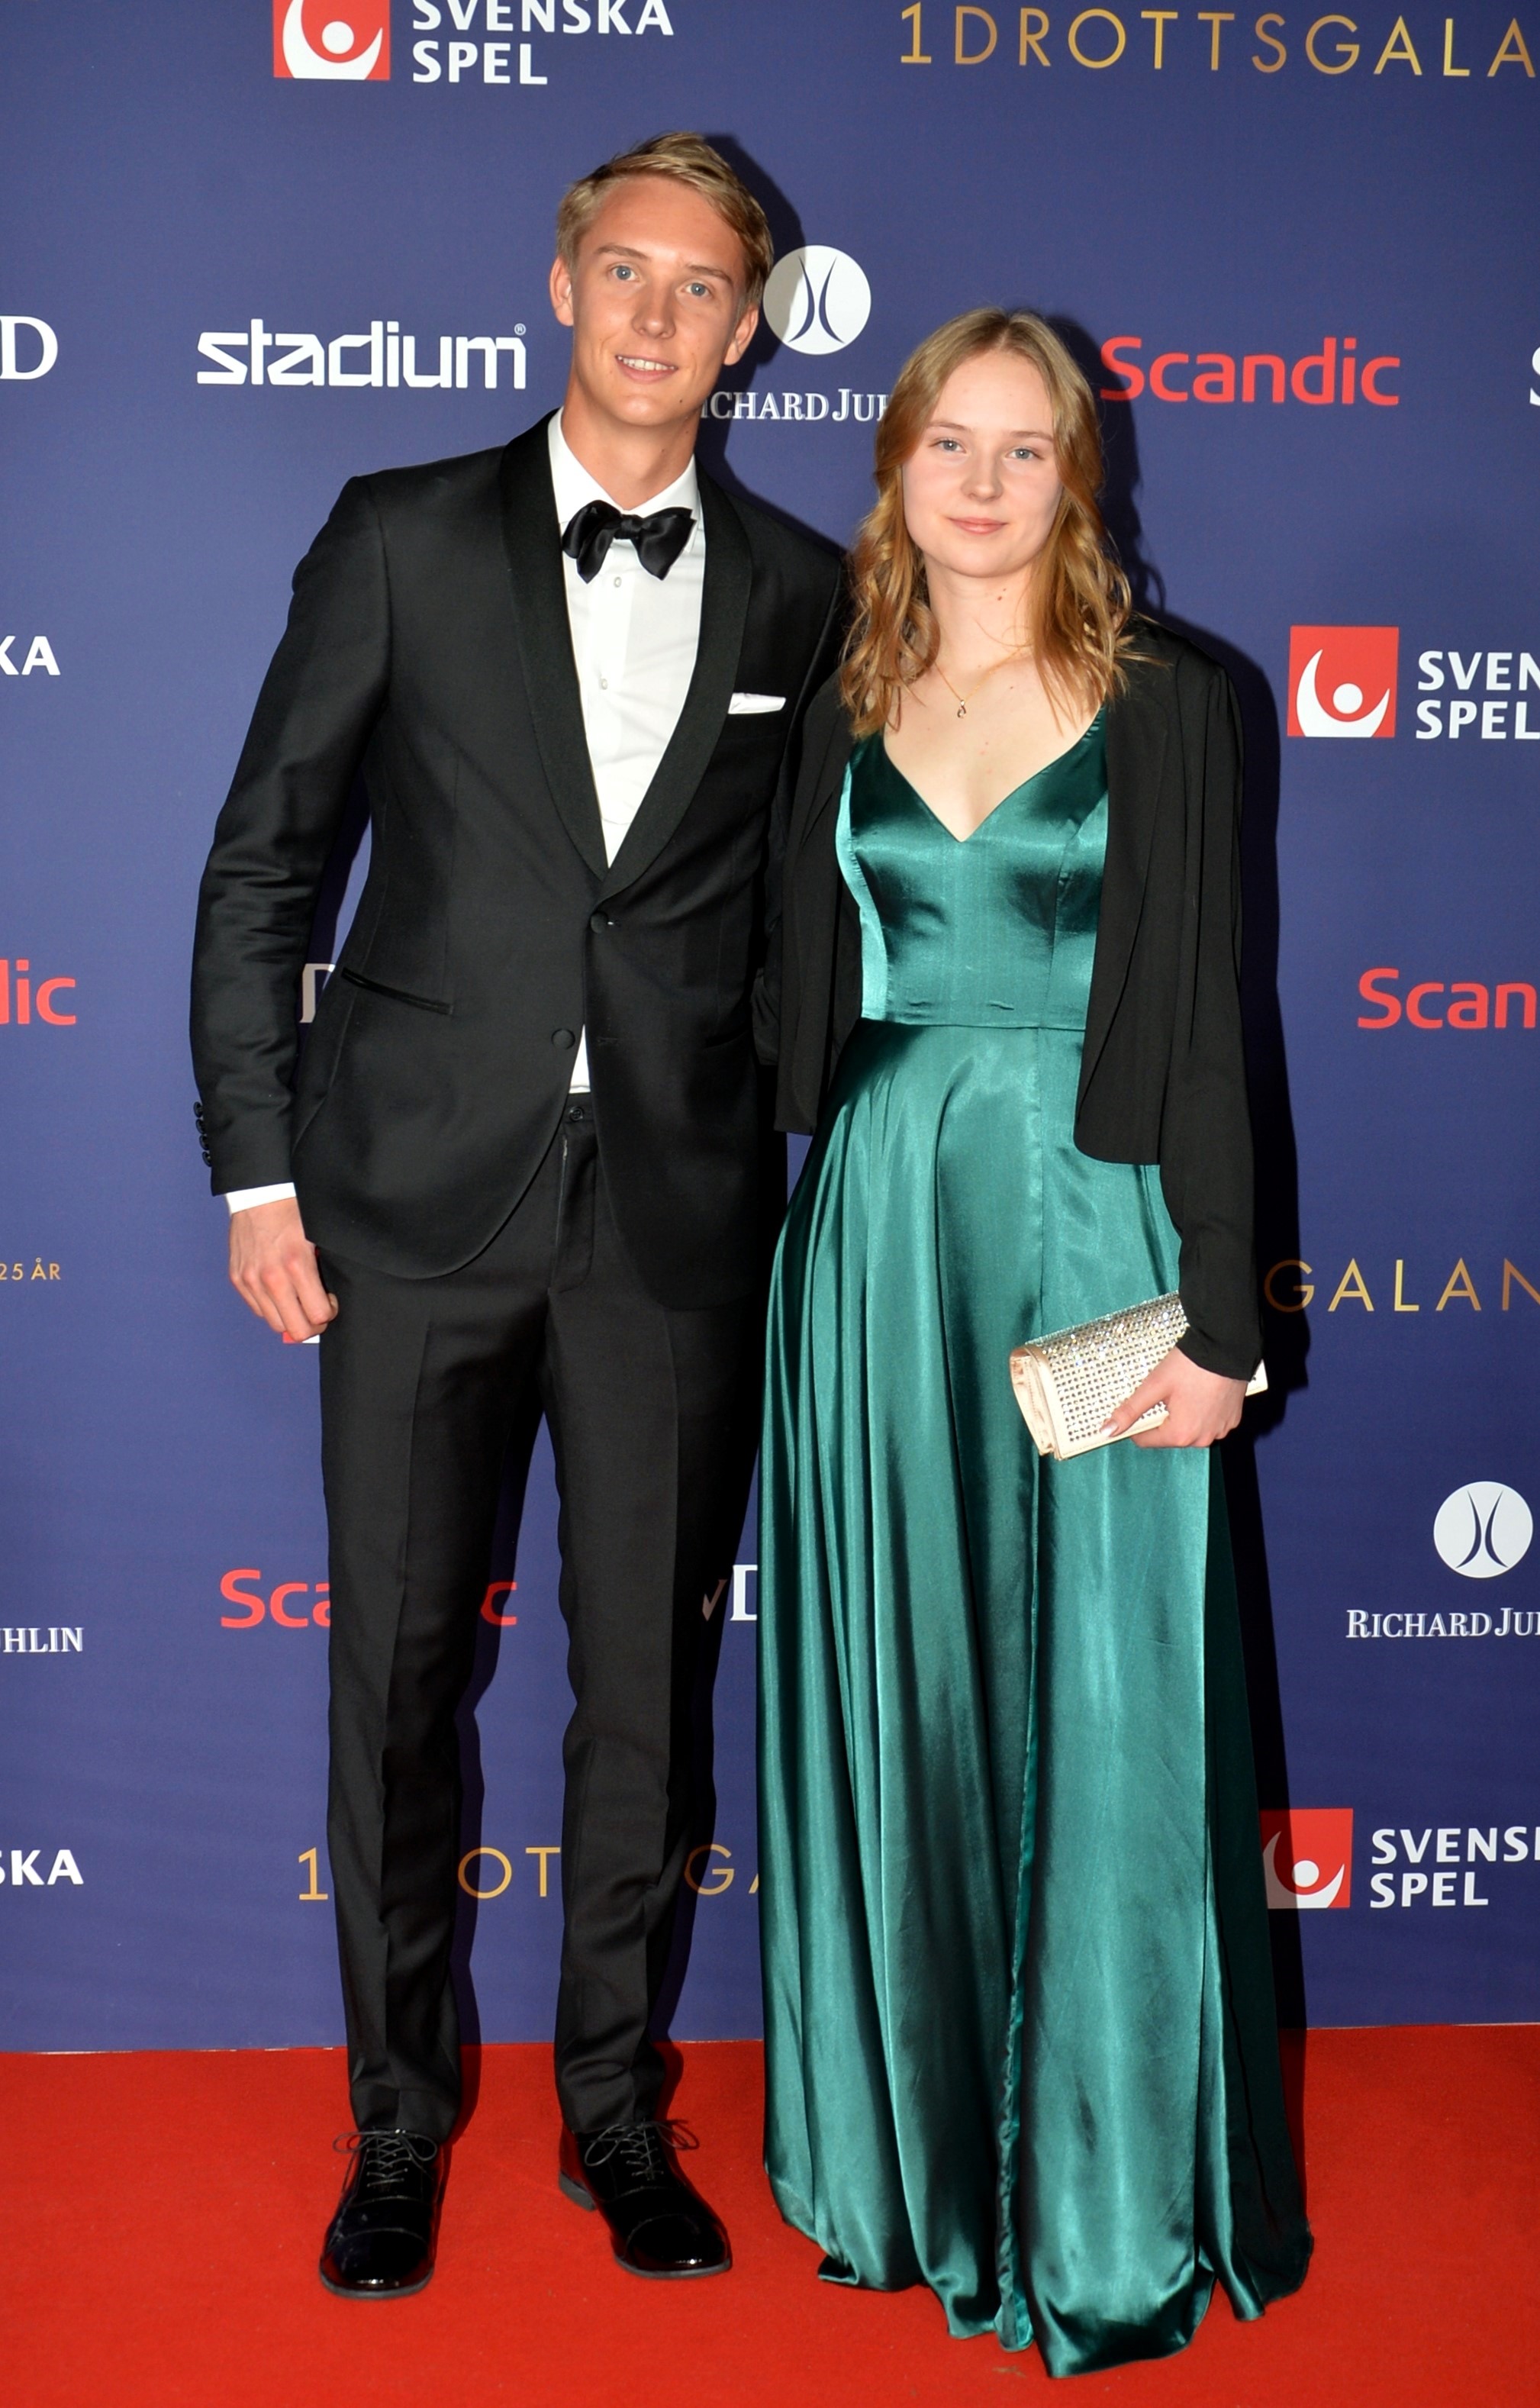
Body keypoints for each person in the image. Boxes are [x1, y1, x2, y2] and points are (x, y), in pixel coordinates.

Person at [191, 133, 842, 2300]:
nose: (657, 315)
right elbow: (265, 863)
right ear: (562, 285)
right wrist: (258, 1170)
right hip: (405, 1209)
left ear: (748, 328)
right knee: (393, 1685)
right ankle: (397, 2121)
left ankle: (612, 2111)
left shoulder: (800, 589)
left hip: (670, 1224)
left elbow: (807, 924)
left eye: (701, 286)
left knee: (647, 1694)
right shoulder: (399, 534)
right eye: (624, 271)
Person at [753, 309, 1311, 2376]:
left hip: (1096, 1222)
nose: (982, 487)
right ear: (893, 463)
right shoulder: (832, 699)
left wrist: (1227, 1323)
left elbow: (1216, 1023)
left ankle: (1110, 2192)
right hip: (879, 1237)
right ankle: (903, 2165)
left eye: (1025, 449)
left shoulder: (1176, 703)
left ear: (1081, 476)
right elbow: (770, 1006)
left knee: (1111, 1697)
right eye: (948, 446)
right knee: (901, 1684)